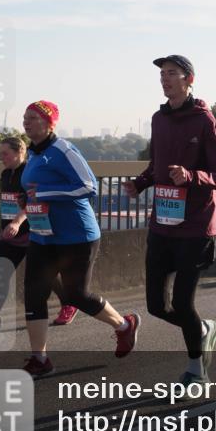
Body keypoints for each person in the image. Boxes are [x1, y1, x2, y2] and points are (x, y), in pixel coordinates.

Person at [124, 55, 216, 386]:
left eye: (172, 73)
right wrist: (140, 184)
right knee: (157, 306)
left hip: (196, 226)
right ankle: (202, 329)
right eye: (162, 74)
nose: (165, 79)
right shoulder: (159, 119)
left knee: (183, 302)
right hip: (163, 224)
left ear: (189, 80)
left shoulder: (205, 120)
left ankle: (196, 369)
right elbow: (156, 165)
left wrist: (191, 176)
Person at [20, 100, 140, 377]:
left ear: (49, 123)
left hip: (76, 235)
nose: (26, 122)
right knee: (34, 294)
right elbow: (35, 189)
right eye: (24, 117)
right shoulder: (34, 153)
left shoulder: (63, 150)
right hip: (43, 235)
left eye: (32, 118)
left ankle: (124, 325)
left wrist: (45, 193)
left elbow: (88, 186)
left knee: (76, 295)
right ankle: (40, 358)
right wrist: (27, 199)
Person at [0, 137, 74, 357]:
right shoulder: (5, 174)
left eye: (5, 153)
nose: (1, 158)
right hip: (10, 235)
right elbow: (10, 202)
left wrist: (17, 222)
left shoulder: (29, 173)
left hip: (33, 233)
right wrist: (8, 225)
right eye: (0, 153)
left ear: (19, 152)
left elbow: (31, 203)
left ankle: (69, 302)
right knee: (1, 277)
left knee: (46, 275)